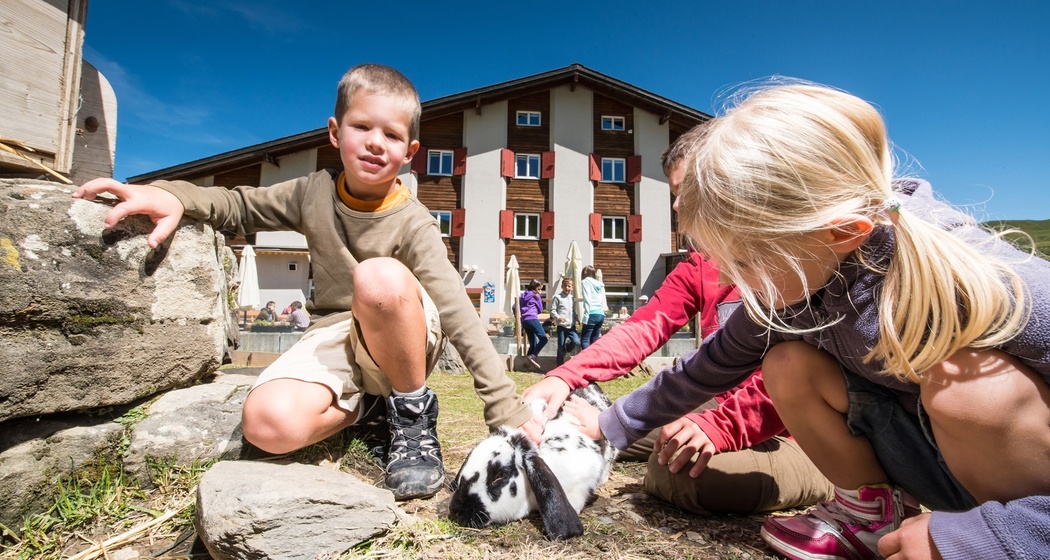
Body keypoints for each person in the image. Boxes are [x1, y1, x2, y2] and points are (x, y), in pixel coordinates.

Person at [564, 82, 1050, 560]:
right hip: (929, 460)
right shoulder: (792, 286)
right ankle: (870, 516)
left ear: (842, 232)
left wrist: (995, 538)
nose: (733, 280)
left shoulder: (975, 276)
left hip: (1023, 501)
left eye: (747, 262)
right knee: (788, 363)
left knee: (964, 386)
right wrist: (608, 424)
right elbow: (705, 368)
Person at [73, 63, 541, 502]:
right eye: (362, 127)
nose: (376, 142)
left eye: (392, 135)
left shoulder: (415, 223)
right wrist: (169, 193)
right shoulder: (311, 192)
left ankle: (412, 414)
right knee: (267, 425)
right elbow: (237, 205)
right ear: (336, 133)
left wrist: (504, 406)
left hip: (400, 338)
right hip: (334, 334)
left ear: (409, 152)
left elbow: (457, 310)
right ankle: (371, 411)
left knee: (377, 276)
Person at [523, 125, 832, 516]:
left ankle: (842, 484)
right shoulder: (700, 265)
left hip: (801, 433)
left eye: (687, 190)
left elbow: (799, 372)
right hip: (719, 404)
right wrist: (564, 377)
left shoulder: (795, 261)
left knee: (678, 475)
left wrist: (717, 426)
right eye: (674, 194)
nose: (676, 207)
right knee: (572, 425)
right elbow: (644, 328)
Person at [548, 278, 581, 366]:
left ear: (572, 287)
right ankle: (559, 366)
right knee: (560, 348)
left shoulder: (571, 298)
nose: (567, 288)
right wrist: (558, 317)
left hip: (571, 326)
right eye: (565, 286)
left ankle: (567, 347)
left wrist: (576, 317)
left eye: (569, 286)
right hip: (562, 326)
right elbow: (552, 310)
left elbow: (572, 310)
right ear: (562, 287)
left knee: (576, 341)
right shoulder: (557, 297)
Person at [518, 279, 547, 369]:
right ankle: (533, 355)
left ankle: (526, 364)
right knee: (544, 338)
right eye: (539, 289)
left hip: (524, 321)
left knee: (533, 343)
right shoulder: (536, 296)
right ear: (535, 288)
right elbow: (541, 309)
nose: (540, 291)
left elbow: (514, 306)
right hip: (532, 318)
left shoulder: (523, 295)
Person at [578, 266, 605, 348]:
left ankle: (586, 360)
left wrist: (585, 316)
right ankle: (595, 359)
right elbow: (600, 299)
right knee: (594, 340)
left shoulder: (585, 282)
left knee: (585, 339)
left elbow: (587, 299)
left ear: (585, 272)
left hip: (591, 313)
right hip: (600, 313)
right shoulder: (597, 283)